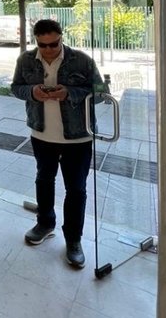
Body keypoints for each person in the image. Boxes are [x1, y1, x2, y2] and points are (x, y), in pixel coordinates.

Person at [11, 19, 106, 269]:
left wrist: (69, 93)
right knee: (44, 180)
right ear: (36, 41)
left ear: (61, 38)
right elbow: (16, 88)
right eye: (42, 45)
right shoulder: (25, 60)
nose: (48, 50)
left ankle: (73, 239)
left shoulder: (82, 60)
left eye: (53, 44)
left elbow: (101, 93)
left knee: (76, 189)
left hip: (78, 137)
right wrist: (32, 92)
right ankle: (45, 223)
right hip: (42, 134)